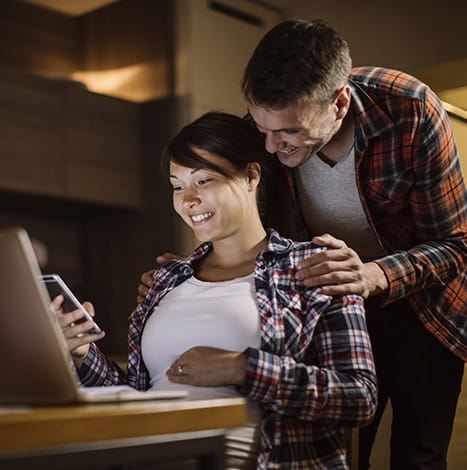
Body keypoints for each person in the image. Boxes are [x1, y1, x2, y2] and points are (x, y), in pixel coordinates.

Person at [138, 19, 467, 470]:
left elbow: (456, 244)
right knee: (351, 451)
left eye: (288, 133)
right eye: (261, 127)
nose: (270, 148)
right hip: (322, 294)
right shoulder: (264, 133)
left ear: (339, 102)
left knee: (418, 456)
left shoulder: (409, 109)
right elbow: (240, 221)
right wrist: (192, 279)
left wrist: (373, 275)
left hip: (422, 307)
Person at [56, 112, 377, 469]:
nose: (188, 200)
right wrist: (83, 353)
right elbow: (137, 395)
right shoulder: (165, 279)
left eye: (204, 180)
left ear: (252, 175)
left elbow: (358, 398)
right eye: (177, 186)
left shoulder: (315, 266)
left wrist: (244, 369)